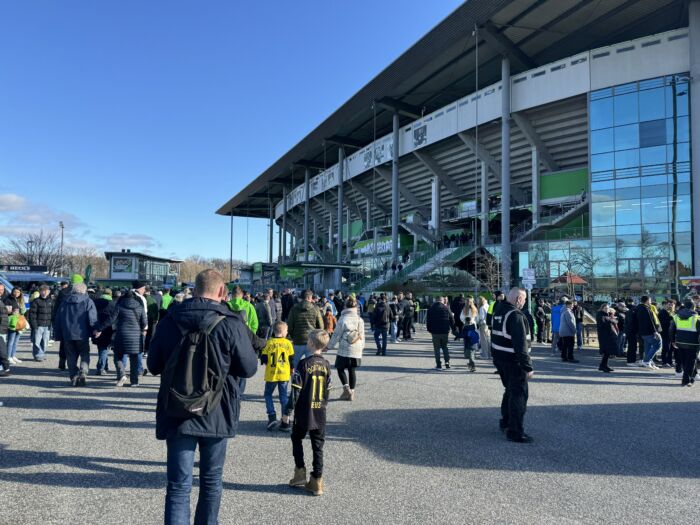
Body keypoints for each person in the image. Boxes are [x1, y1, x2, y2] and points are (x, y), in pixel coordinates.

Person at [147, 269, 257, 524]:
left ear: (195, 290)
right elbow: (249, 368)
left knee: (178, 486)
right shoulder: (230, 322)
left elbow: (153, 365)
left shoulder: (170, 319)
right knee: (211, 482)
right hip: (216, 411)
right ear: (221, 292)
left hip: (177, 410)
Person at [287, 329, 331, 496]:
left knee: (296, 438)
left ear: (311, 343)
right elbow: (327, 389)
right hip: (320, 410)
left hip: (304, 410)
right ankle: (317, 479)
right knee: (318, 446)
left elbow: (296, 390)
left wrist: (288, 410)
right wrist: (323, 404)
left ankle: (299, 472)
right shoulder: (327, 365)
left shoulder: (304, 364)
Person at [491, 288, 534, 443]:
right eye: (523, 299)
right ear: (517, 299)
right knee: (519, 395)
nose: (524, 302)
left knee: (509, 390)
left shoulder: (498, 311)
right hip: (513, 361)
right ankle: (515, 431)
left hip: (500, 358)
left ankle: (505, 421)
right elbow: (520, 344)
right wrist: (527, 367)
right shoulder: (515, 315)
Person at [53, 282, 98, 387]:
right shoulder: (88, 301)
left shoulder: (65, 301)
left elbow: (58, 318)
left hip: (67, 334)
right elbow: (92, 318)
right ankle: (83, 371)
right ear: (84, 290)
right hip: (82, 334)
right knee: (84, 354)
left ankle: (73, 376)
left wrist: (58, 333)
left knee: (70, 356)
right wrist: (95, 329)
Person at [103, 281, 148, 387]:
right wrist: (141, 330)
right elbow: (144, 323)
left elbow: (111, 320)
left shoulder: (119, 306)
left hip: (121, 334)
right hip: (136, 336)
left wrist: (100, 328)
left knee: (118, 355)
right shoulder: (140, 307)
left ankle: (122, 374)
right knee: (134, 358)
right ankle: (134, 382)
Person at [327, 297, 364, 400]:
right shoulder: (359, 319)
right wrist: (361, 347)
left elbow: (336, 335)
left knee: (340, 368)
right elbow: (362, 335)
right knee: (352, 370)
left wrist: (329, 346)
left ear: (345, 306)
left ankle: (346, 387)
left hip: (344, 347)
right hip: (356, 347)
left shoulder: (343, 319)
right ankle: (352, 392)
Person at [261, 321, 294, 431]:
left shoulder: (269, 343)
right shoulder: (288, 343)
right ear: (284, 332)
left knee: (268, 394)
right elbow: (291, 359)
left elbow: (264, 358)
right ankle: (285, 421)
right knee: (283, 397)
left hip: (272, 374)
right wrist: (291, 370)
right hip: (284, 374)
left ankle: (272, 416)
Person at [287, 289, 324, 367]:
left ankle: (295, 379)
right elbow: (321, 326)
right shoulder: (315, 308)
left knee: (294, 365)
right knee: (312, 365)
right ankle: (309, 379)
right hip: (312, 341)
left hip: (298, 340)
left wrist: (293, 336)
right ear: (309, 297)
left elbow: (289, 326)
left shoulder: (294, 309)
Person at [668, 300, 700, 387]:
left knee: (685, 361)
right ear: (693, 307)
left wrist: (673, 340)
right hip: (693, 343)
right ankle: (686, 381)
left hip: (679, 342)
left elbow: (671, 329)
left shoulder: (676, 316)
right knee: (691, 362)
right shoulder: (696, 317)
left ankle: (691, 378)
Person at [426, 296, 454, 370]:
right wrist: (453, 329)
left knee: (436, 348)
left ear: (436, 300)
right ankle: (447, 362)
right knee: (445, 347)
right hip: (445, 331)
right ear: (442, 300)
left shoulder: (431, 309)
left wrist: (429, 329)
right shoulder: (446, 308)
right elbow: (451, 319)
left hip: (435, 332)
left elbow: (428, 320)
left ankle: (438, 364)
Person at [92, 288, 115, 375]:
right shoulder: (112, 304)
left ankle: (104, 365)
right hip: (107, 329)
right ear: (110, 295)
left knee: (101, 347)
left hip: (96, 327)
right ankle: (101, 368)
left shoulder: (95, 302)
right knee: (104, 348)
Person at [27, 284, 53, 362]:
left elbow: (53, 313)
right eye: (43, 291)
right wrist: (34, 325)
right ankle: (38, 355)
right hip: (38, 324)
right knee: (36, 342)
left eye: (46, 291)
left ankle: (41, 353)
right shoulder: (36, 301)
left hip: (47, 325)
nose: (44, 292)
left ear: (48, 292)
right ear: (40, 292)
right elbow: (32, 314)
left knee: (45, 342)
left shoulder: (51, 301)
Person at [636, 296, 661, 369]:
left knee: (648, 347)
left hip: (643, 332)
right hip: (649, 331)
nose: (651, 302)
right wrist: (655, 331)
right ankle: (646, 361)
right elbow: (650, 321)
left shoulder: (639, 308)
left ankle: (648, 362)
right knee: (658, 344)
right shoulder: (645, 309)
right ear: (647, 301)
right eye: (650, 300)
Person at [596, 304, 618, 373]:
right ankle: (603, 366)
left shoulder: (607, 315)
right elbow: (604, 324)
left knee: (607, 352)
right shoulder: (600, 315)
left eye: (608, 308)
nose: (607, 309)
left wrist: (611, 318)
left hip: (608, 335)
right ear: (602, 308)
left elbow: (615, 321)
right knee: (606, 351)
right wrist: (611, 320)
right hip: (604, 336)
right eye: (605, 308)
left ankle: (604, 365)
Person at [658, 300, 675, 368]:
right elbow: (663, 323)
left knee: (671, 348)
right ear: (666, 304)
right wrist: (670, 319)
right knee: (666, 347)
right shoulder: (662, 312)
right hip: (665, 332)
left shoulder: (672, 312)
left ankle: (669, 361)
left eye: (672, 304)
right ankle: (664, 362)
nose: (670, 306)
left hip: (671, 333)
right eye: (669, 304)